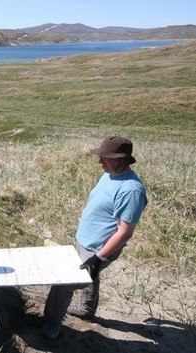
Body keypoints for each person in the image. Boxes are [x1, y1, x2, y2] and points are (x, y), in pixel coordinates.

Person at [42, 136, 148, 340]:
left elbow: (125, 231)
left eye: (105, 157)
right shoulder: (109, 175)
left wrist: (99, 257)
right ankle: (86, 309)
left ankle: (51, 325)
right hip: (86, 240)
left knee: (63, 282)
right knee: (90, 272)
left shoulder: (131, 190)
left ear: (122, 160)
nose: (100, 161)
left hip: (100, 247)